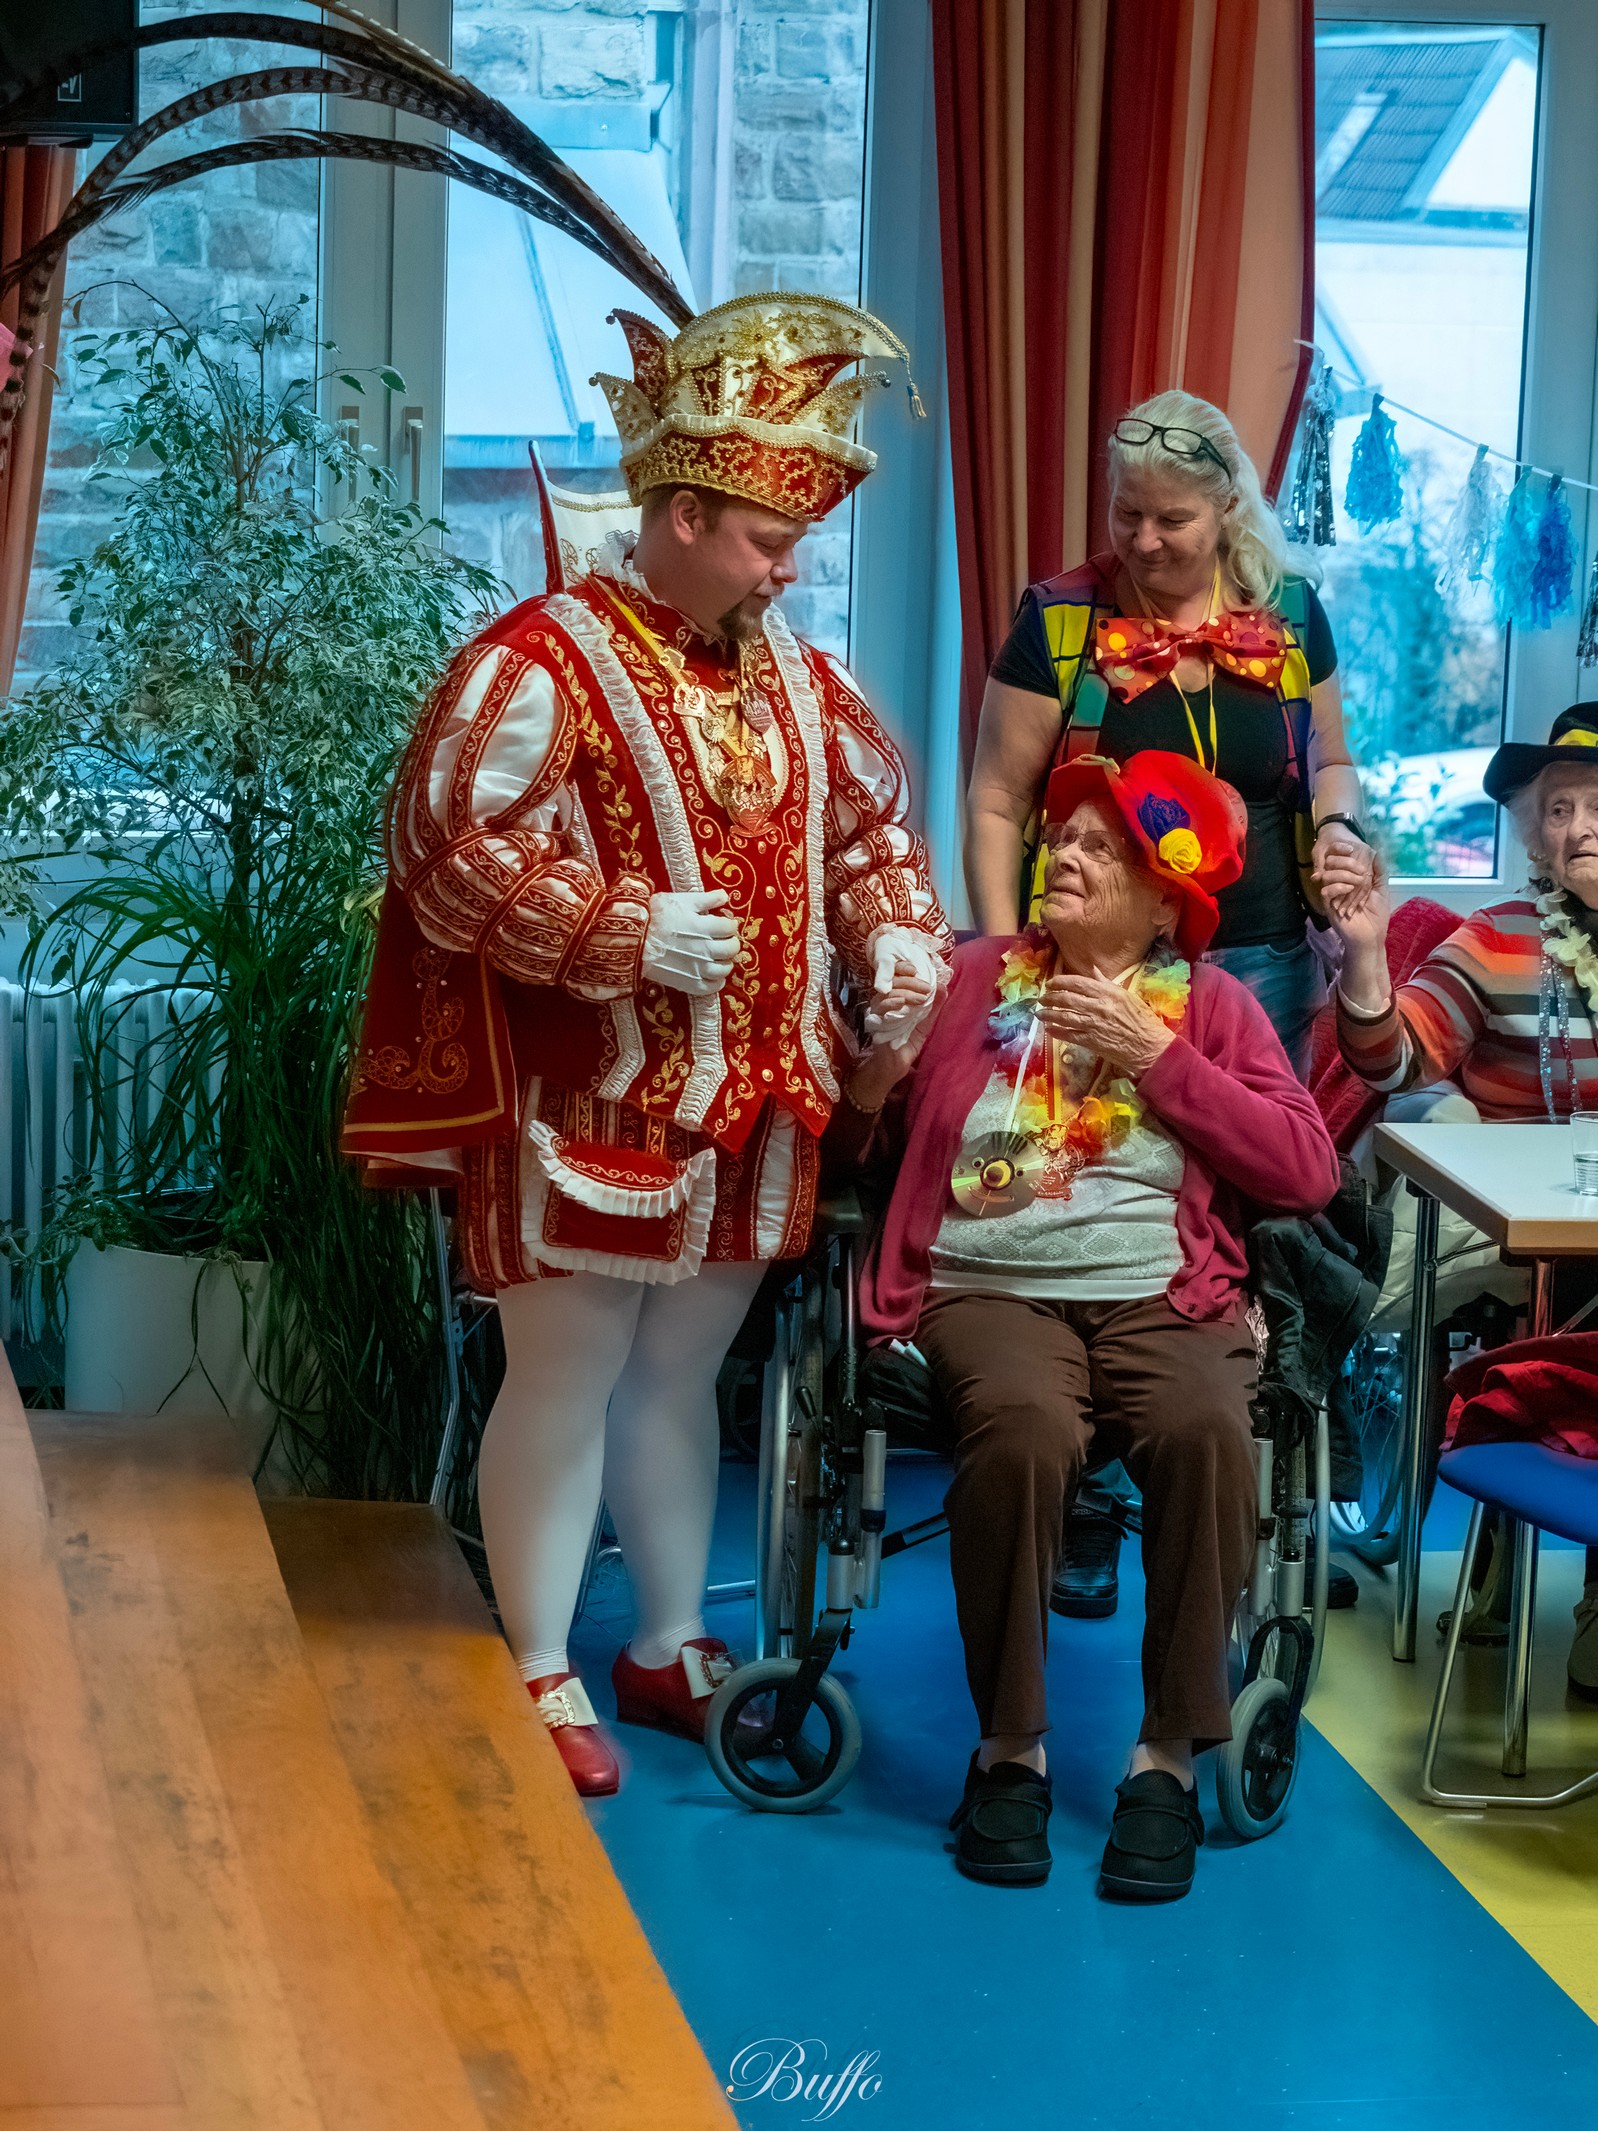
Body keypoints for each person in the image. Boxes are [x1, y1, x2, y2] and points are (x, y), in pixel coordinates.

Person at [342, 293, 950, 1795]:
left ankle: (667, 1639)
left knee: (682, 1382)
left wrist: (892, 936)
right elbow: (442, 847)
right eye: (765, 538)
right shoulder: (539, 663)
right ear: (681, 515)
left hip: (763, 1106)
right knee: (561, 1375)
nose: (788, 567)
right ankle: (540, 1659)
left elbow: (868, 837)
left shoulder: (802, 679)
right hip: (589, 1104)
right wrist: (621, 930)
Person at [840, 750, 1340, 1898]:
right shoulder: (970, 978)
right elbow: (859, 1151)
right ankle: (1007, 1750)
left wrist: (1154, 1057)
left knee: (1205, 1430)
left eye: (1097, 847)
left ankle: (1164, 1757)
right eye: (1059, 837)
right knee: (1019, 1432)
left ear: (1165, 902)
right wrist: (870, 1079)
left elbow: (1304, 1168)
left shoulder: (1209, 1006)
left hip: (1160, 1291)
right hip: (985, 1285)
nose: (1061, 855)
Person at [966, 388, 1373, 1076]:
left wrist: (1338, 828)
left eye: (1172, 519)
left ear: (1228, 507)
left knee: (1254, 1140)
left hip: (1268, 961)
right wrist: (1006, 958)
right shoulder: (1060, 619)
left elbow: (1332, 761)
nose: (1144, 540)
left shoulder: (1292, 614)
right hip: (1098, 962)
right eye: (1127, 512)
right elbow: (998, 803)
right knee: (1099, 1143)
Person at [1323, 702, 1598, 1695]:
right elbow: (1392, 1057)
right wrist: (1365, 960)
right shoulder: (1496, 941)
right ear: (1534, 832)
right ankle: (1519, 1560)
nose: (1580, 828)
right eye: (1559, 809)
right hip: (1518, 1235)